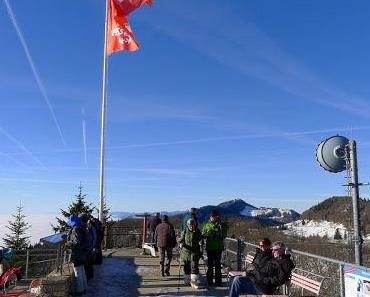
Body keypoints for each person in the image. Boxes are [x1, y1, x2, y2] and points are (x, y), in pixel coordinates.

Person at [229, 241, 295, 297]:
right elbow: (261, 265)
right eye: (273, 250)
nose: (273, 251)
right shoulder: (274, 259)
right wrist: (249, 273)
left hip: (264, 287)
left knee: (236, 282)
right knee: (236, 279)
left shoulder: (286, 263)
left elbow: (280, 279)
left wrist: (265, 280)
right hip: (257, 281)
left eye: (275, 250)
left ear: (282, 250)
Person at [202, 210, 227, 286]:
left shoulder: (221, 225)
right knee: (210, 266)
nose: (213, 218)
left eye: (215, 216)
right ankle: (209, 281)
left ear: (217, 217)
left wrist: (219, 234)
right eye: (212, 216)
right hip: (210, 248)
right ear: (210, 217)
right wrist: (208, 235)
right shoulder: (206, 225)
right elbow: (203, 234)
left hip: (218, 248)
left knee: (217, 265)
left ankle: (218, 281)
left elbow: (225, 234)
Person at [66, 215, 88, 296]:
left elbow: (77, 242)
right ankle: (84, 288)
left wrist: (69, 243)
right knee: (82, 271)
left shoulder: (76, 229)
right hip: (82, 254)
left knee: (77, 273)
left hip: (77, 254)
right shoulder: (82, 227)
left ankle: (79, 291)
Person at [178, 218, 204, 289]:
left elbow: (201, 239)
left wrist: (201, 242)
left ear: (195, 225)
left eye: (193, 225)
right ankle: (187, 280)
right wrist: (181, 243)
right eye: (190, 225)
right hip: (186, 252)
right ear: (188, 225)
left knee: (194, 267)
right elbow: (180, 240)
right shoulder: (184, 232)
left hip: (195, 252)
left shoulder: (198, 232)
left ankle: (194, 282)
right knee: (186, 267)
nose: (191, 227)